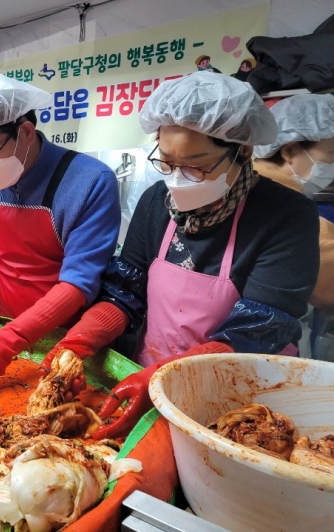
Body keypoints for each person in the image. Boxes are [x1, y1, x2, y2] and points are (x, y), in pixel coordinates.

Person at [41, 71, 319, 440]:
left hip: (241, 391)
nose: (177, 179)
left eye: (196, 165)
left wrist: (163, 379)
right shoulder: (157, 201)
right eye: (168, 162)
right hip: (147, 374)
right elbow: (126, 293)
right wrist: (79, 340)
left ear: (243, 150)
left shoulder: (286, 214)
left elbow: (256, 330)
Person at [0, 71, 121, 387]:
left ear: (25, 131)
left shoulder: (89, 182)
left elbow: (80, 281)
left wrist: (16, 335)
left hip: (69, 340)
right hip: (6, 325)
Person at [253, 94, 334, 361]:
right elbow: (327, 287)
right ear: (289, 151)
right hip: (259, 351)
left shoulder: (242, 187)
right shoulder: (296, 216)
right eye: (331, 154)